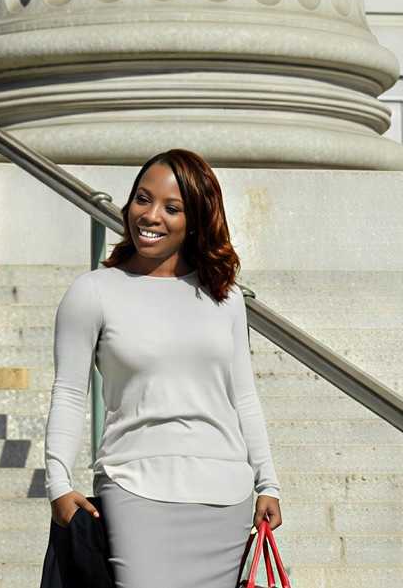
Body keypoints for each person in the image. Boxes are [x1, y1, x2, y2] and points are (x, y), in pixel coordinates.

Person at [44, 149, 283, 588]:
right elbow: (70, 392)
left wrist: (268, 483)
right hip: (135, 487)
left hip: (225, 496)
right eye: (142, 199)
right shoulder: (94, 292)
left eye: (172, 208)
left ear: (196, 219)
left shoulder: (224, 298)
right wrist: (57, 483)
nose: (151, 216)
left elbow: (243, 396)